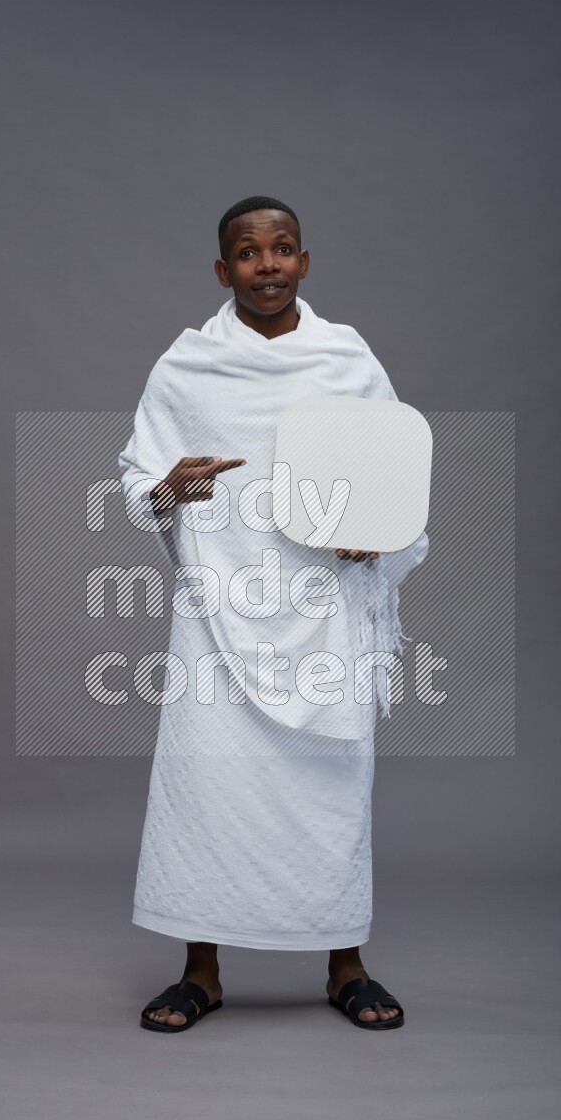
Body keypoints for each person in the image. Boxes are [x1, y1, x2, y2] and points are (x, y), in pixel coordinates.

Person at [117, 196, 429, 1032]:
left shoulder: (346, 357)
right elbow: (139, 478)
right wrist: (168, 487)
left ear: (304, 262)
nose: (268, 264)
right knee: (208, 786)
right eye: (249, 253)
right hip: (220, 612)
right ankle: (201, 971)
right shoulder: (186, 366)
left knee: (333, 786)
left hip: (325, 613)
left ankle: (345, 964)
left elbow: (392, 465)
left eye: (283, 248)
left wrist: (375, 536)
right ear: (223, 271)